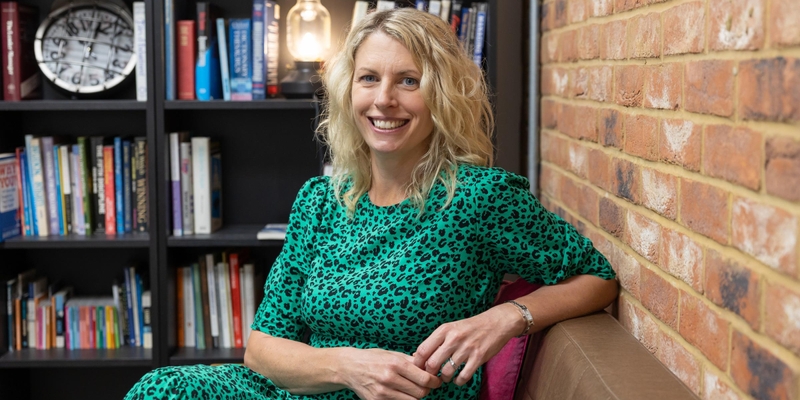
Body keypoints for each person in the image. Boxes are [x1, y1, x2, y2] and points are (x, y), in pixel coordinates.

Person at [126, 7, 617, 400]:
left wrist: (506, 318)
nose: (384, 99)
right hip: (302, 392)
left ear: (441, 95)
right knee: (164, 388)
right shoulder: (320, 202)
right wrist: (348, 366)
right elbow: (262, 349)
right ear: (349, 91)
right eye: (368, 78)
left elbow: (596, 277)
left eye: (408, 80)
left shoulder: (479, 198)